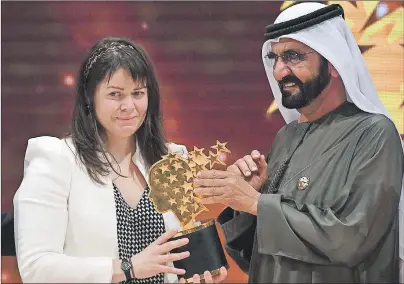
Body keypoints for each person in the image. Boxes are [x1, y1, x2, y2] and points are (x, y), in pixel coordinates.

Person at [193, 3, 404, 283]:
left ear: (333, 62)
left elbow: (352, 239)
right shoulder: (287, 137)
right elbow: (258, 258)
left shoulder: (374, 134)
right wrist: (246, 202)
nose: (280, 71)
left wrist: (257, 203)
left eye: (293, 57)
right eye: (275, 59)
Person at [13, 36, 227, 283]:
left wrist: (192, 276)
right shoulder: (56, 160)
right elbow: (35, 267)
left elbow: (178, 258)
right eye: (115, 94)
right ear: (88, 98)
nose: (129, 106)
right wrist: (127, 268)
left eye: (138, 93)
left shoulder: (172, 160)